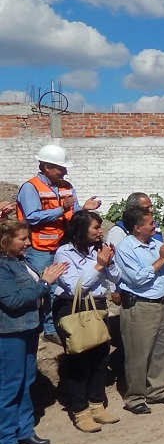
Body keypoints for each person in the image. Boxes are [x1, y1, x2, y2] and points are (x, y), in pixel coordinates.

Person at [16, 143, 101, 342]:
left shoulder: (66, 187)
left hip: (64, 247)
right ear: (46, 167)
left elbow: (74, 215)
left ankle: (56, 326)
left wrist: (85, 210)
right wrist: (60, 209)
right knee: (44, 289)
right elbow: (32, 217)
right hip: (40, 249)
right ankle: (45, 329)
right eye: (60, 168)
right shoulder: (30, 188)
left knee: (60, 289)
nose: (64, 172)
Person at [0, 219, 68, 444]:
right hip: (10, 334)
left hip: (28, 329)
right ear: (6, 240)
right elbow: (13, 300)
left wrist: (46, 284)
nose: (28, 243)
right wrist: (44, 282)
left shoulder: (20, 263)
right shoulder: (2, 268)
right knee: (10, 384)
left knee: (26, 380)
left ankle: (24, 430)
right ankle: (6, 437)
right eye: (22, 239)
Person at [52, 211, 121, 433]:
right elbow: (75, 288)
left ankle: (97, 405)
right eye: (95, 228)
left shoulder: (97, 250)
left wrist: (108, 263)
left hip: (98, 307)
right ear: (81, 229)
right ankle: (80, 412)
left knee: (100, 359)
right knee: (79, 361)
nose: (99, 231)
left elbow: (116, 277)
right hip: (73, 309)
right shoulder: (64, 253)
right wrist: (99, 266)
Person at [114, 206, 164, 415]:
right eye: (150, 223)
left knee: (160, 350)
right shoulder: (125, 248)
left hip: (160, 303)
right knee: (139, 353)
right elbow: (137, 278)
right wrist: (163, 258)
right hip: (140, 305)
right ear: (137, 228)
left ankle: (156, 390)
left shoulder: (154, 243)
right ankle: (134, 397)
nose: (155, 226)